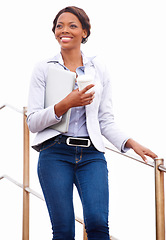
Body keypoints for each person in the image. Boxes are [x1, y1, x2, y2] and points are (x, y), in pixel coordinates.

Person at [27, 6, 157, 240]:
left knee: (97, 223)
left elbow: (105, 119)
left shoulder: (99, 69)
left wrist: (130, 142)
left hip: (92, 155)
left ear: (85, 32)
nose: (64, 30)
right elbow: (33, 122)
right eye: (59, 26)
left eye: (72, 25)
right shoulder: (43, 68)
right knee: (64, 230)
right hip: (54, 152)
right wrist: (65, 103)